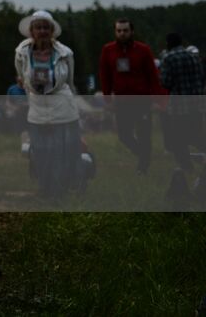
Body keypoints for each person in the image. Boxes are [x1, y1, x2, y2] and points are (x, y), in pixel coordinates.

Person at [14, 11, 83, 197]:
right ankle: (45, 187)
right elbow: (22, 77)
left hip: (63, 108)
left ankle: (59, 190)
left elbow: (69, 81)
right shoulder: (21, 52)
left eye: (46, 27)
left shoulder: (65, 53)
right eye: (38, 27)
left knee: (61, 152)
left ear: (52, 31)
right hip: (37, 109)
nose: (42, 31)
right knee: (41, 151)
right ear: (31, 31)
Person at [98, 18, 161, 174]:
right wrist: (107, 98)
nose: (122, 33)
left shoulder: (143, 50)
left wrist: (158, 98)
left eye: (125, 30)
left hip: (142, 99)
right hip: (121, 100)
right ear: (115, 32)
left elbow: (153, 75)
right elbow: (104, 75)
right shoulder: (108, 50)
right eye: (119, 30)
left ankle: (143, 166)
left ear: (132, 31)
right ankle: (144, 155)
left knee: (144, 133)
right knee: (124, 135)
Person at [159, 32, 204, 185]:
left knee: (177, 140)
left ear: (169, 43)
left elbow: (165, 82)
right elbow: (201, 78)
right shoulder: (193, 56)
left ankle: (187, 167)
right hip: (196, 104)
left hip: (179, 107)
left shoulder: (168, 58)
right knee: (195, 135)